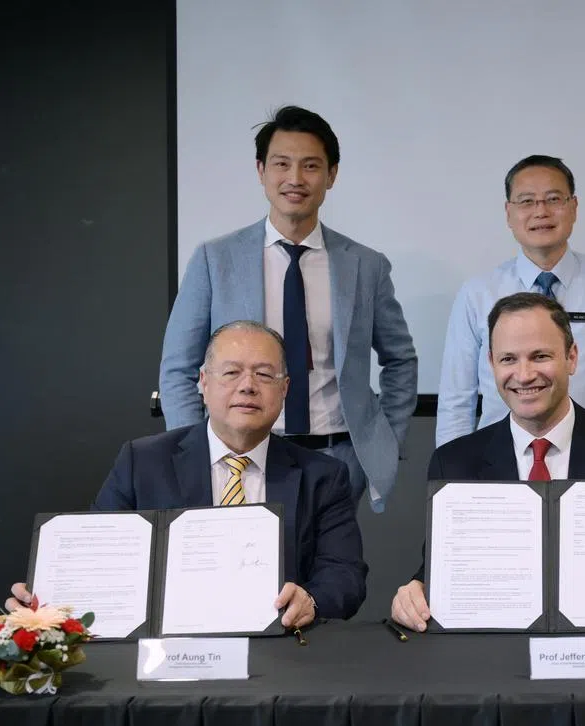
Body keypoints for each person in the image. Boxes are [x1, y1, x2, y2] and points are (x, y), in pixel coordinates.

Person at [9, 320, 367, 625]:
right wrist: (49, 599)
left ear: (285, 389)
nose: (247, 385)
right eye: (231, 372)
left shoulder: (323, 475)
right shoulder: (143, 462)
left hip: (282, 650)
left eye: (264, 374)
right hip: (166, 652)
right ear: (203, 383)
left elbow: (345, 575)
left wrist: (312, 602)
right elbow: (97, 562)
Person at [159, 105, 417, 512]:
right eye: (282, 164)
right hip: (241, 456)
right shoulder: (215, 259)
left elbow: (401, 360)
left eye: (311, 166)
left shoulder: (365, 265)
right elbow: (178, 367)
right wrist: (196, 451)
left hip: (337, 457)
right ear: (261, 171)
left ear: (331, 175)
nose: (295, 179)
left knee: (329, 571)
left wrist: (386, 437)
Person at [393, 293, 585, 632]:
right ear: (492, 363)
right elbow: (438, 576)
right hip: (493, 650)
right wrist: (414, 592)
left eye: (540, 356)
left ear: (571, 357)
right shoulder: (453, 463)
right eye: (509, 359)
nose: (523, 375)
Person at [435, 154, 585, 447]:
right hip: (498, 463)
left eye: (553, 199)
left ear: (574, 207)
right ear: (508, 213)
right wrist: (451, 480)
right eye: (527, 201)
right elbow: (456, 400)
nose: (541, 211)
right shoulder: (477, 293)